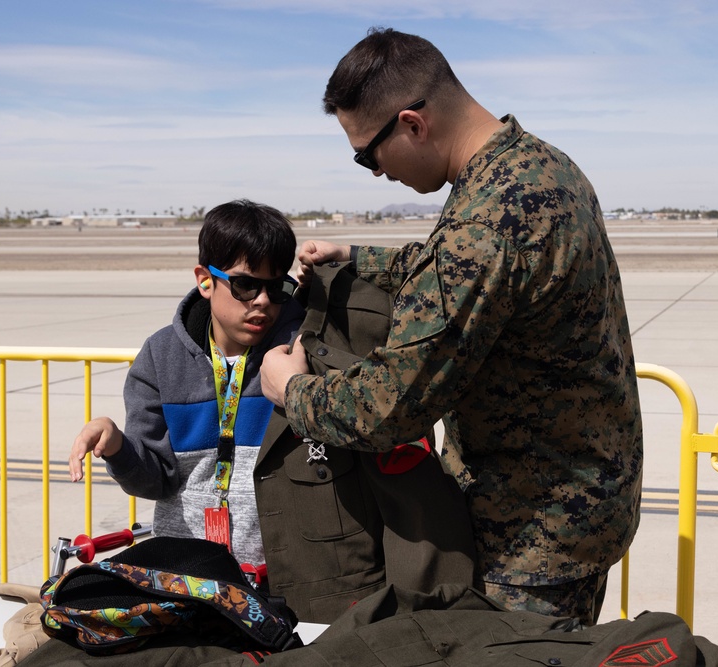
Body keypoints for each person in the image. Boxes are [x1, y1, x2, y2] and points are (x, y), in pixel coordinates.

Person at [261, 27, 643, 625]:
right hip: (583, 503)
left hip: (530, 536)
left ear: (412, 123)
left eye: (367, 153)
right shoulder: (540, 167)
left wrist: (291, 389)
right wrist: (359, 257)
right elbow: (473, 276)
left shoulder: (484, 222)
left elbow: (390, 406)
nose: (374, 173)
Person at [69, 199, 304, 575]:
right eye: (245, 285)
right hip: (188, 576)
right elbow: (156, 481)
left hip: (285, 575)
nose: (262, 301)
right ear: (205, 280)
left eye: (275, 288)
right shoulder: (161, 356)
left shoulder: (300, 352)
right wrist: (117, 446)